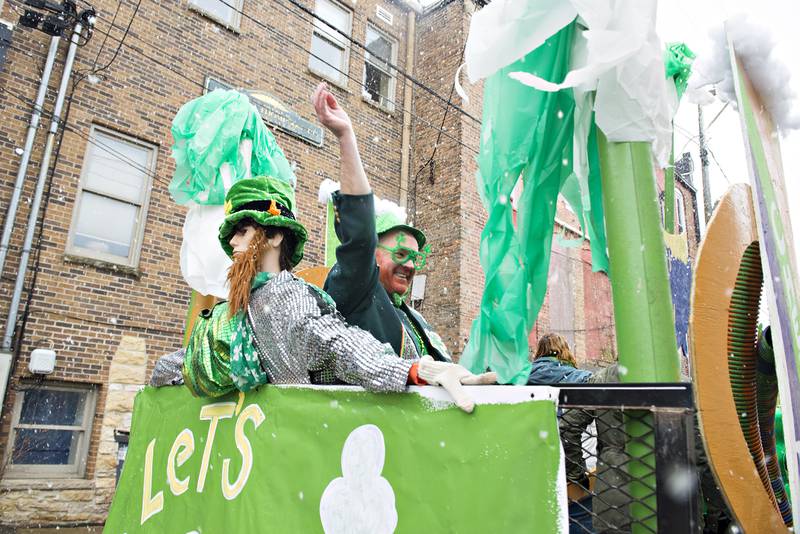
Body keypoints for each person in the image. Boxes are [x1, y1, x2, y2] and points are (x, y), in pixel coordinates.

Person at [151, 175, 495, 412]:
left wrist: (419, 371)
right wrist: (162, 377)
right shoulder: (241, 309)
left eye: (243, 230)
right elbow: (181, 364)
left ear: (274, 237)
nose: (234, 243)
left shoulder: (286, 297)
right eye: (232, 235)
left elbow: (335, 342)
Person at [311, 83, 451, 364]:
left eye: (414, 258)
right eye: (400, 254)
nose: (410, 266)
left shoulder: (415, 319)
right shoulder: (358, 290)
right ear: (371, 253)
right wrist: (346, 137)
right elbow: (359, 238)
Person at [527, 333, 597, 534]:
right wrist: (577, 474)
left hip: (531, 464)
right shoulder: (577, 376)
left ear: (539, 352)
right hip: (564, 464)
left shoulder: (521, 376)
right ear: (564, 351)